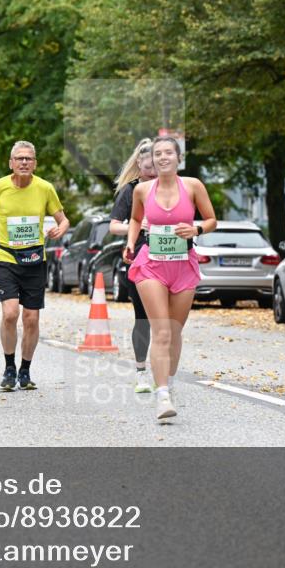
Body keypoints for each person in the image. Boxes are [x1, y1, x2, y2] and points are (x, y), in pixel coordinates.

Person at [124, 136, 217, 420]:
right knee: (161, 330)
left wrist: (196, 231)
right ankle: (162, 394)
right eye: (158, 153)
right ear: (152, 159)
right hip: (151, 264)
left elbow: (212, 219)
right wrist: (131, 241)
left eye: (168, 153)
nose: (163, 157)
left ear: (178, 158)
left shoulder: (193, 186)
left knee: (175, 331)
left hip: (183, 265)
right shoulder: (142, 190)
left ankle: (169, 382)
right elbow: (137, 220)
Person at [0, 140, 69, 392]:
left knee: (31, 318)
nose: (23, 162)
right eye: (19, 158)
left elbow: (64, 220)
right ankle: (9, 367)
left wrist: (59, 229)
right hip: (6, 256)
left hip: (34, 260)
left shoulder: (45, 188)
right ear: (11, 163)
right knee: (10, 313)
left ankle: (25, 370)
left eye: (28, 159)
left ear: (35, 163)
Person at [109, 138, 158, 393]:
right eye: (145, 159)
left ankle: (163, 373)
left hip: (170, 259)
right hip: (139, 258)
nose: (151, 163)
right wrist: (136, 226)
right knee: (144, 318)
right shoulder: (131, 190)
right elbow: (114, 224)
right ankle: (141, 371)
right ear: (138, 163)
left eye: (155, 158)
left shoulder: (172, 188)